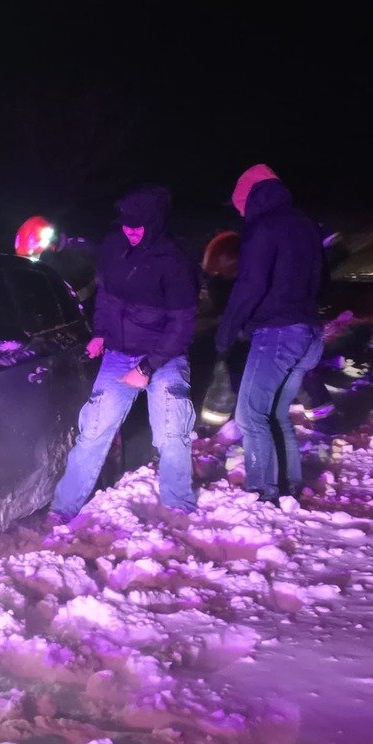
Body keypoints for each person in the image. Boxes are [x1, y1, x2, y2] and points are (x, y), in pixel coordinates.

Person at [48, 185, 200, 520]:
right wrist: (101, 333)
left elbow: (182, 325)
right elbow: (106, 297)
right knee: (92, 432)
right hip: (119, 354)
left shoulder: (174, 260)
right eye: (126, 224)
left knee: (172, 433)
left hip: (165, 357)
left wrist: (147, 368)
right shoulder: (114, 248)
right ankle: (63, 509)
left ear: (155, 223)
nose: (130, 231)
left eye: (138, 225)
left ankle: (178, 507)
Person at [215, 164, 326, 502]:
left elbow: (251, 283)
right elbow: (320, 280)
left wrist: (228, 329)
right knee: (275, 413)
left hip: (278, 333)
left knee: (249, 416)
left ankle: (262, 491)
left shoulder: (263, 227)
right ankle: (289, 484)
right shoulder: (305, 225)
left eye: (241, 207)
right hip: (307, 332)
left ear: (250, 199)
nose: (242, 214)